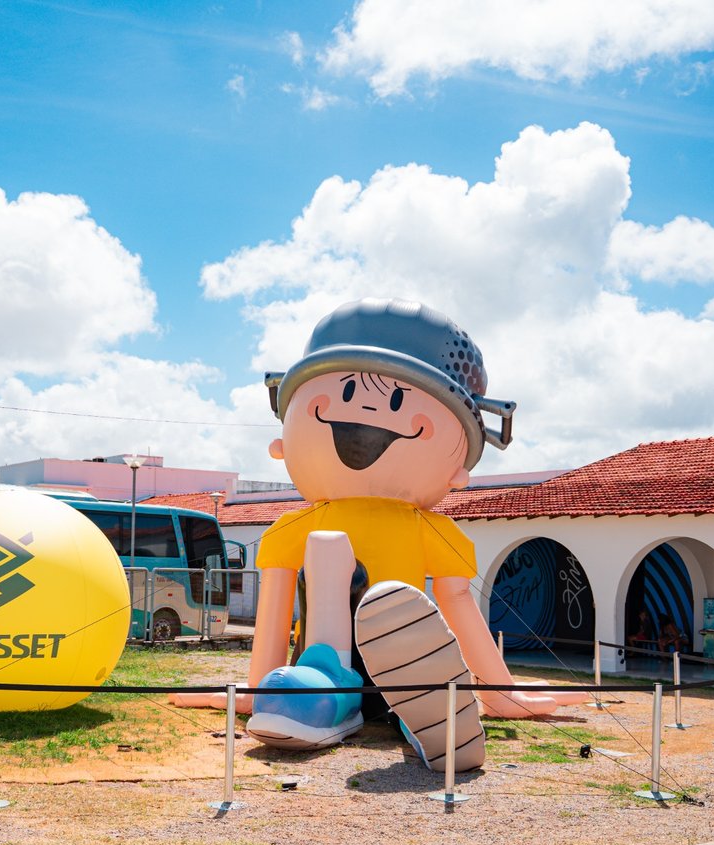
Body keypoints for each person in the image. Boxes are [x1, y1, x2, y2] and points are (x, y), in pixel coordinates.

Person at [242, 298, 586, 773]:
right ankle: (358, 688)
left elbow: (459, 606)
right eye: (343, 390)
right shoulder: (296, 527)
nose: (363, 410)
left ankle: (421, 703)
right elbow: (275, 614)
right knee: (326, 550)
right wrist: (260, 691)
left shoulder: (431, 529)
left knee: (376, 597)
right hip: (318, 672)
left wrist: (504, 694)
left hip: (399, 668)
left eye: (398, 399)